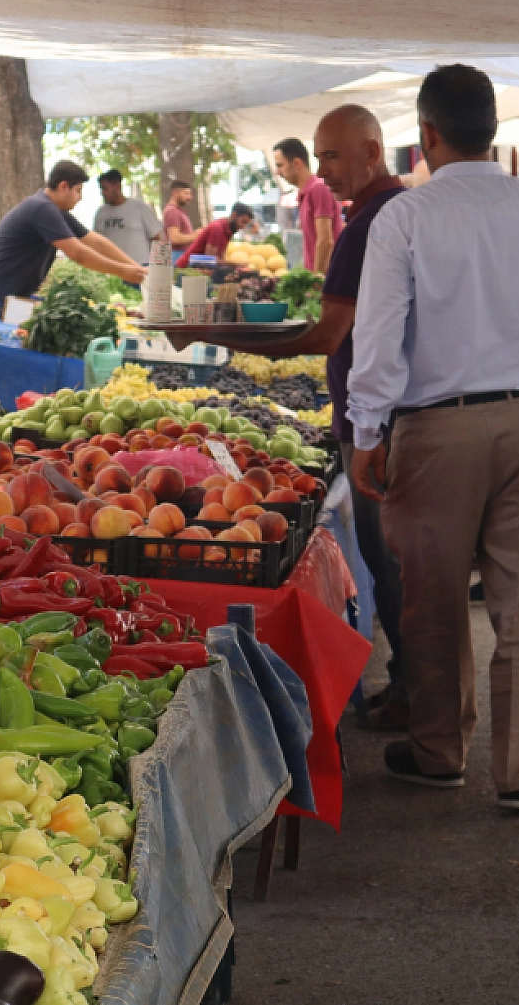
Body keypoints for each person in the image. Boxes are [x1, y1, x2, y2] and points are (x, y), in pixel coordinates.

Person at [348, 64, 519, 813]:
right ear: (494, 130)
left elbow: (379, 336)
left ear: (426, 134)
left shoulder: (407, 217)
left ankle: (438, 752)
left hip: (435, 427)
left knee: (431, 597)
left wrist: (369, 430)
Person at [206, 104, 409, 729]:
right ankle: (416, 687)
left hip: (377, 422)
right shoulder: (399, 213)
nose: (321, 170)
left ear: (373, 152)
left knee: (392, 561)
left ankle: (415, 695)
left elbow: (327, 335)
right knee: (402, 563)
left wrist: (233, 341)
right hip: (398, 414)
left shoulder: (371, 223)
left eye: (333, 156)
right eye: (318, 157)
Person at [0, 161, 145, 320]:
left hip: (6, 297)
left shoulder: (55, 211)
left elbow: (96, 242)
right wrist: (123, 271)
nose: (80, 198)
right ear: (64, 186)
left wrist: (137, 269)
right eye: (78, 191)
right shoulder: (41, 208)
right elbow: (77, 253)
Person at [273, 137, 343, 273]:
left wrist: (316, 280)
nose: (277, 172)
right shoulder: (304, 194)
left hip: (327, 280)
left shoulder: (318, 189)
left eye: (280, 165)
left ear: (297, 163)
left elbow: (325, 240)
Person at [91, 169, 165, 265]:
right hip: (111, 267)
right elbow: (96, 241)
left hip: (139, 266)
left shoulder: (139, 207)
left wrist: (159, 267)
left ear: (117, 186)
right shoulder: (100, 213)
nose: (102, 193)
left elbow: (156, 238)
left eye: (105, 188)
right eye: (101, 189)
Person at [175, 203, 255, 268]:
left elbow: (220, 257)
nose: (243, 226)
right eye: (243, 222)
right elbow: (209, 260)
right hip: (185, 270)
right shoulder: (217, 228)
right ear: (234, 215)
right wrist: (235, 265)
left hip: (198, 270)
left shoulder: (229, 230)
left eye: (246, 224)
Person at [162, 180, 198, 248]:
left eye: (190, 194)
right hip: (177, 256)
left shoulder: (178, 211)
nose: (189, 197)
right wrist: (195, 235)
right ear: (175, 193)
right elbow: (174, 238)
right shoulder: (172, 211)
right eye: (186, 193)